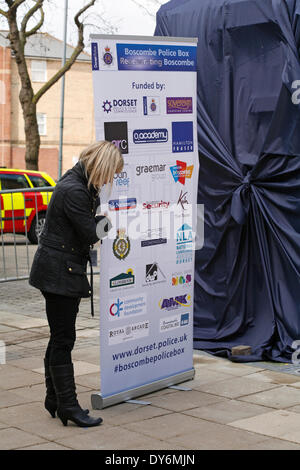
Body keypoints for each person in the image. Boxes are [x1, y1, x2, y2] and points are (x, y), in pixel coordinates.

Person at [29, 141, 124, 428]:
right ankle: (69, 405)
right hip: (58, 273)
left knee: (58, 337)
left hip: (59, 270)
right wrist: (110, 223)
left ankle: (54, 399)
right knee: (63, 340)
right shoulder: (73, 189)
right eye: (110, 174)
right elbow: (89, 232)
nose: (110, 180)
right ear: (101, 166)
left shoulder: (80, 184)